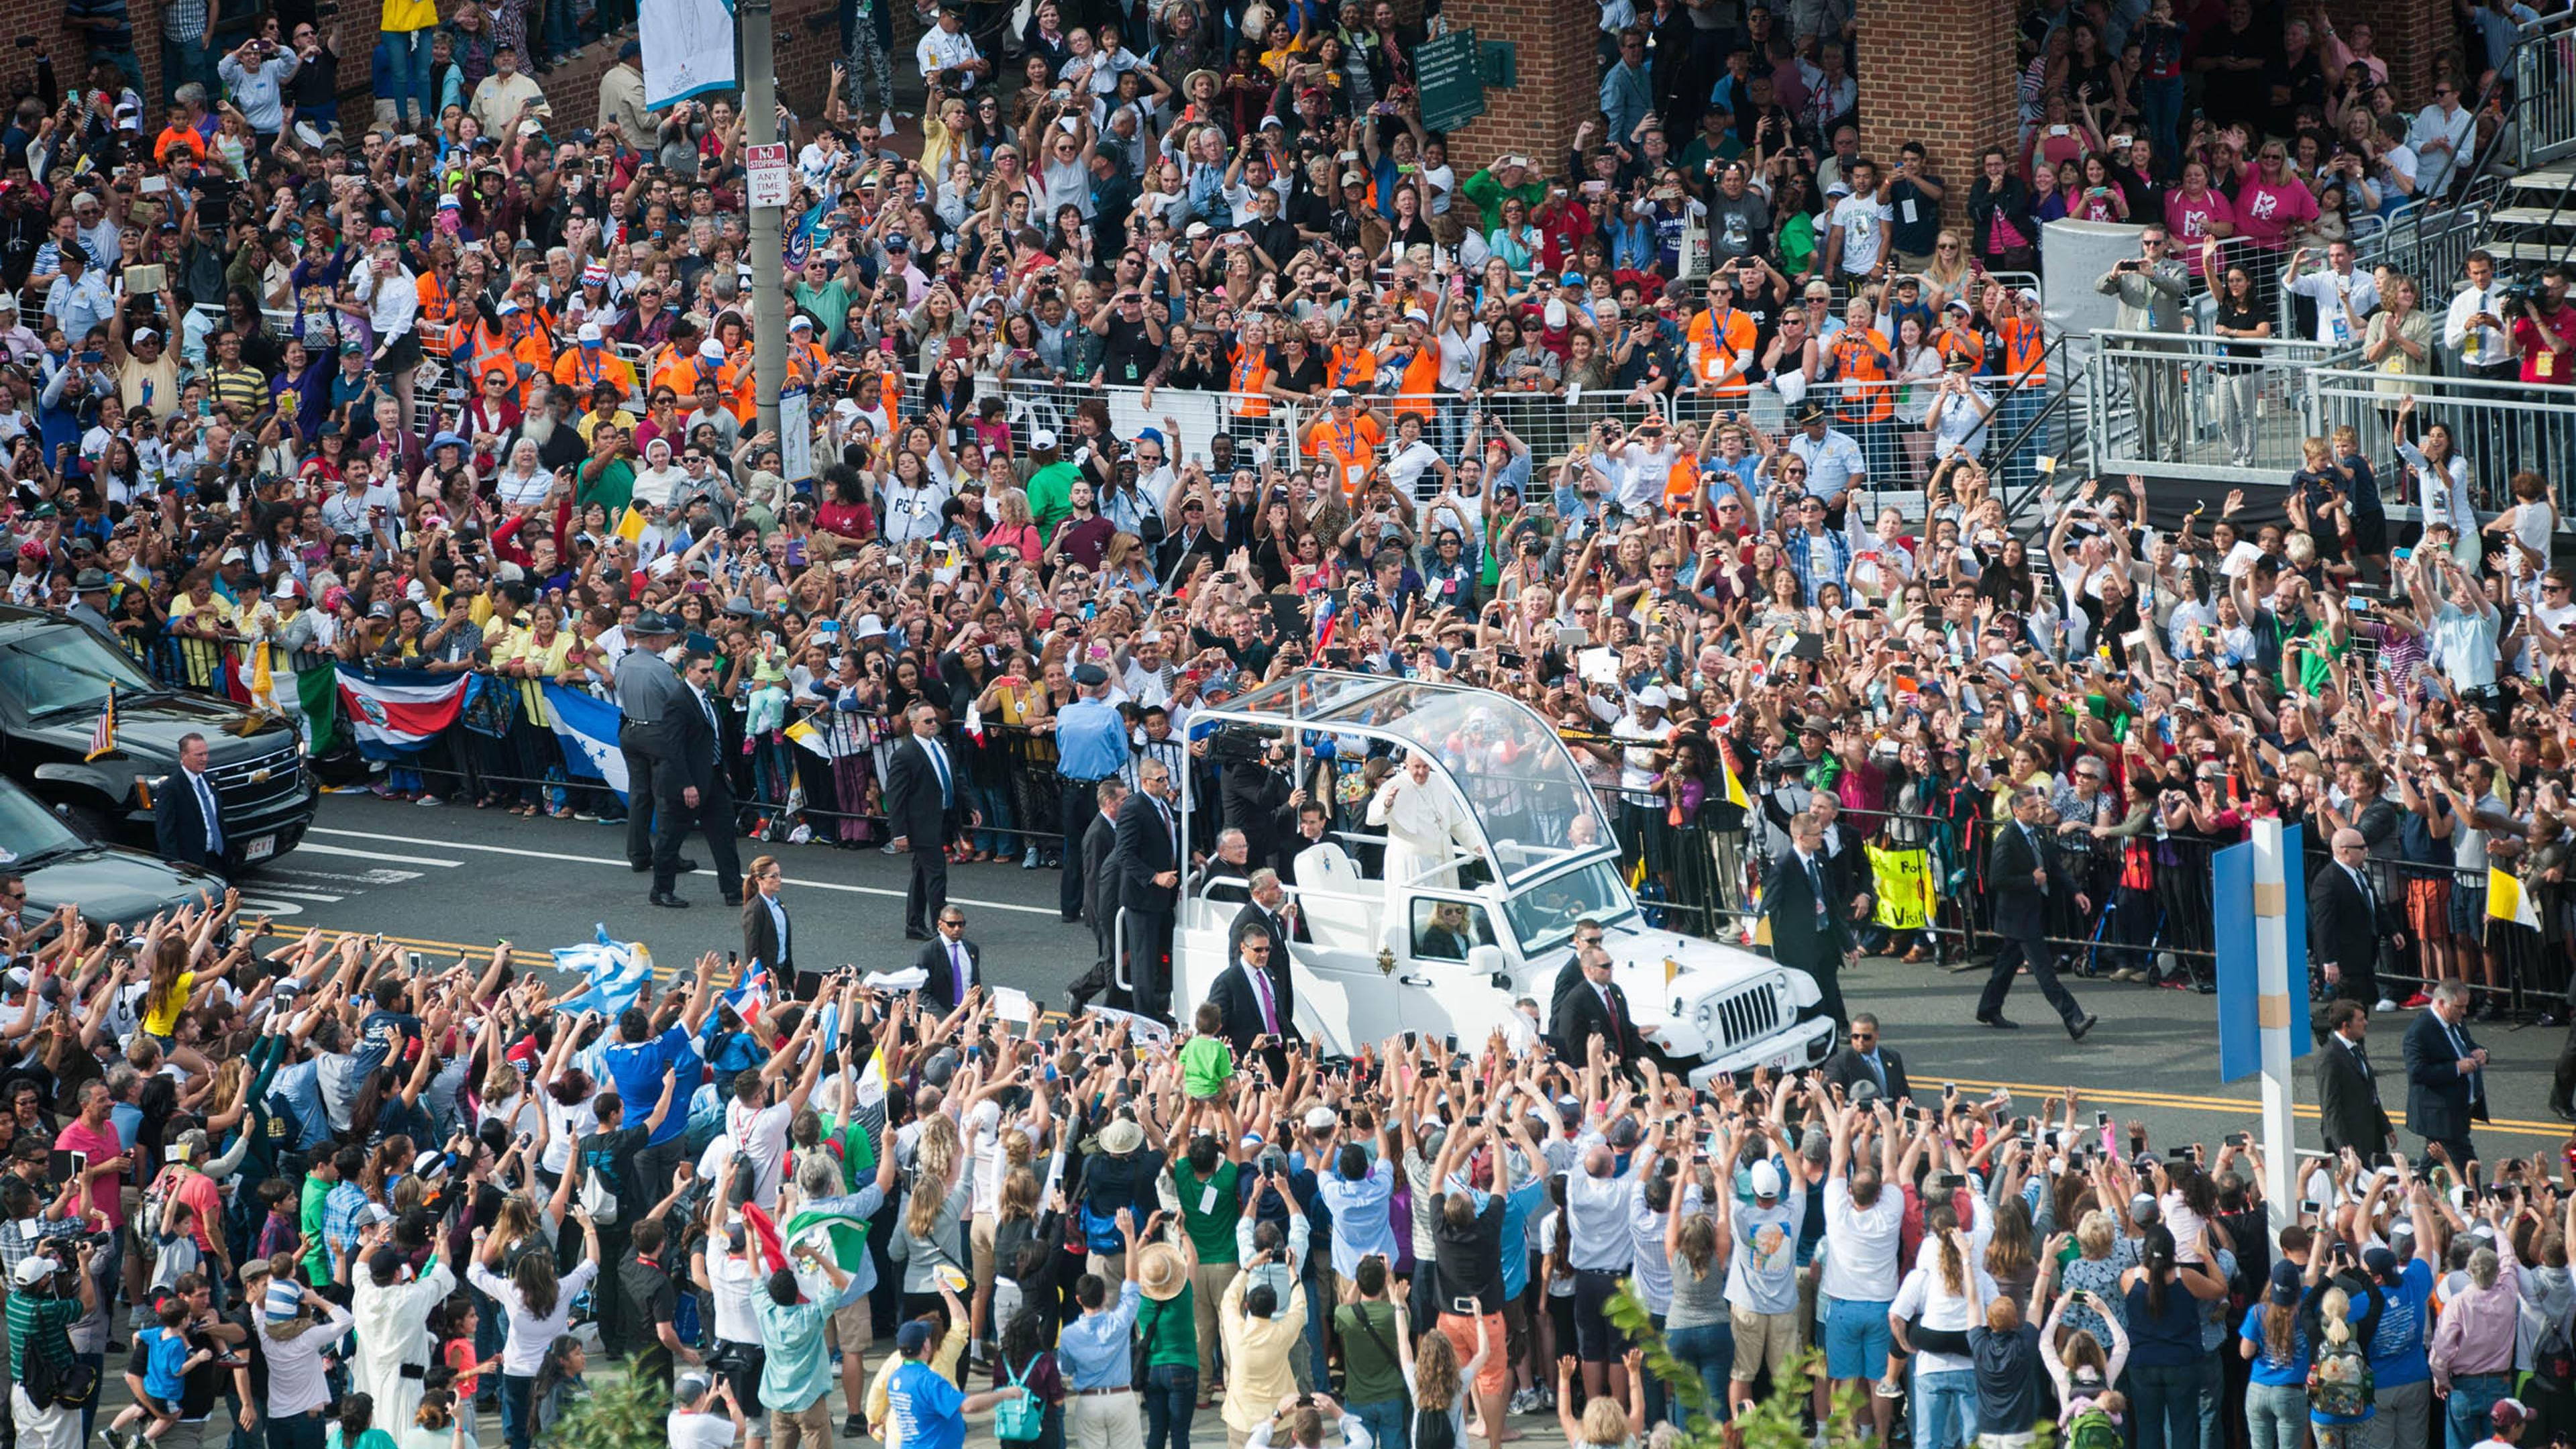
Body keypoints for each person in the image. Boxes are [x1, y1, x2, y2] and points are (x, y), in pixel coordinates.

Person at [1977, 786, 2100, 1041]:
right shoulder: (2007, 840)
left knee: (2007, 964)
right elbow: (1996, 879)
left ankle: (1988, 1008)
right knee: (2044, 969)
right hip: (2017, 915)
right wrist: (2030, 880)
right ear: (2016, 810)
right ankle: (2074, 1018)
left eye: (2037, 806)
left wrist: (2076, 892)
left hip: (2033, 910)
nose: (2037, 812)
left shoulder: (2038, 833)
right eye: (2031, 808)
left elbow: (2055, 868)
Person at [614, 612, 696, 893]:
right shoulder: (659, 669)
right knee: (665, 797)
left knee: (639, 795)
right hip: (657, 733)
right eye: (662, 636)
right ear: (652, 638)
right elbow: (678, 698)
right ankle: (667, 856)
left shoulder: (624, 662)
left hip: (631, 729)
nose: (666, 639)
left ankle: (638, 855)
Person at [658, 649, 747, 908]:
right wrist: (687, 783)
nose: (709, 675)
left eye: (711, 670)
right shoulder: (679, 701)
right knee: (672, 837)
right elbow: (673, 748)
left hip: (714, 777)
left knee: (724, 833)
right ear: (689, 671)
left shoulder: (705, 697)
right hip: (687, 782)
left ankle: (733, 889)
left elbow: (715, 737)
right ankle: (661, 890)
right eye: (704, 671)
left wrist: (724, 766)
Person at [2092, 226, 2190, 456]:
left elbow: (2178, 289)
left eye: (2156, 243)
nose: (2151, 247)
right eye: (2147, 243)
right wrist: (2114, 275)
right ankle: (2147, 450)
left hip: (2166, 342)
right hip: (2137, 342)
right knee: (2143, 402)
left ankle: (2176, 450)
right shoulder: (2130, 270)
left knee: (2173, 401)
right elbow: (2100, 287)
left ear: (2166, 244)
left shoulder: (2177, 268)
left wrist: (2153, 275)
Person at [885, 702, 977, 941]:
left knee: (922, 875)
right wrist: (899, 833)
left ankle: (914, 924)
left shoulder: (942, 744)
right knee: (936, 874)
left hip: (944, 818)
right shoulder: (905, 755)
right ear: (913, 725)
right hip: (921, 824)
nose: (934, 724)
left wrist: (970, 805)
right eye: (928, 721)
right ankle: (942, 926)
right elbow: (896, 797)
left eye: (935, 719)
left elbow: (956, 777)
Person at [1764, 810, 1853, 1032]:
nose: (1821, 838)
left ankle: (1838, 1025)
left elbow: (1832, 904)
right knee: (1808, 990)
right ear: (1800, 837)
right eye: (1816, 834)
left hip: (1825, 937)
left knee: (1830, 985)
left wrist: (1849, 944)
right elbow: (1767, 911)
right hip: (1797, 945)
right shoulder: (1783, 868)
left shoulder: (1821, 862)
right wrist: (1765, 952)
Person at [1112, 759, 1183, 1024]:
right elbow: (1124, 854)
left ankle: (1161, 1009)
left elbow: (1170, 838)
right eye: (1161, 779)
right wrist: (1154, 877)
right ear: (1145, 782)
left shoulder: (1163, 803)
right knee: (1144, 963)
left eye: (1167, 778)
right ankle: (1146, 1018)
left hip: (1164, 897)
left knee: (1163, 955)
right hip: (1143, 899)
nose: (1167, 783)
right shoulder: (1134, 809)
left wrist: (1194, 851)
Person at [2311, 829, 2402, 1006]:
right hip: (2345, 962)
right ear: (2345, 850)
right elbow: (2323, 925)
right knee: (2352, 1010)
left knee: (2361, 1008)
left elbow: (2373, 905)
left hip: (2364, 956)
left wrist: (2392, 930)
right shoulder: (2328, 881)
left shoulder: (2360, 873)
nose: (2366, 850)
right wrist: (2329, 961)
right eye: (2361, 847)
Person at [2402, 979, 2488, 1166]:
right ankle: (2476, 1195)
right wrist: (2456, 1068)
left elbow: (2468, 1046)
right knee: (2468, 1166)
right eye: (2459, 1007)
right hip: (2441, 1114)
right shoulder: (2420, 1031)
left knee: (2432, 1161)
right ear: (2441, 1003)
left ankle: (2407, 1187)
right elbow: (2417, 1072)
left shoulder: (2455, 1021)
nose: (2464, 1012)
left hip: (2458, 1110)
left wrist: (2483, 1053)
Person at [2313, 1000, 2395, 1159]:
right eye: (2360, 1019)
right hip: (2351, 1139)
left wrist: (2385, 1127)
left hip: (2370, 1133)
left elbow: (2371, 1094)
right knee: (2360, 1183)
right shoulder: (2329, 1058)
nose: (2366, 1023)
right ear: (2346, 1026)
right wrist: (2343, 1144)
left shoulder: (2354, 1049)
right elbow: (2330, 1106)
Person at [152, 731, 225, 874]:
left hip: (217, 859)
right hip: (192, 864)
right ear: (183, 755)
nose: (204, 759)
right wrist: (177, 867)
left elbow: (218, 820)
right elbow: (166, 834)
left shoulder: (210, 781)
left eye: (206, 754)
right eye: (199, 755)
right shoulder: (171, 788)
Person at [741, 855, 801, 997]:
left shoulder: (778, 904)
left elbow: (784, 946)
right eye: (773, 876)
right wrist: (763, 986)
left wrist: (791, 977)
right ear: (759, 880)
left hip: (781, 975)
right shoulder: (755, 909)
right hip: (766, 981)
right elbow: (752, 952)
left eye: (780, 875)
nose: (779, 880)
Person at [1818, 1013, 1911, 1103]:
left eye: (1866, 1037)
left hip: (1893, 1117)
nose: (1860, 1041)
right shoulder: (1839, 1063)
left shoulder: (1893, 1058)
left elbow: (1904, 1095)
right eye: (1855, 1036)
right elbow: (1833, 1096)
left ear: (1877, 1035)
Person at [916, 908, 980, 1014]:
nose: (957, 929)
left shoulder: (972, 949)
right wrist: (948, 1020)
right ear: (940, 924)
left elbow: (975, 986)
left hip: (970, 1017)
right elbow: (922, 993)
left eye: (961, 924)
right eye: (951, 924)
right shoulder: (927, 952)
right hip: (943, 1018)